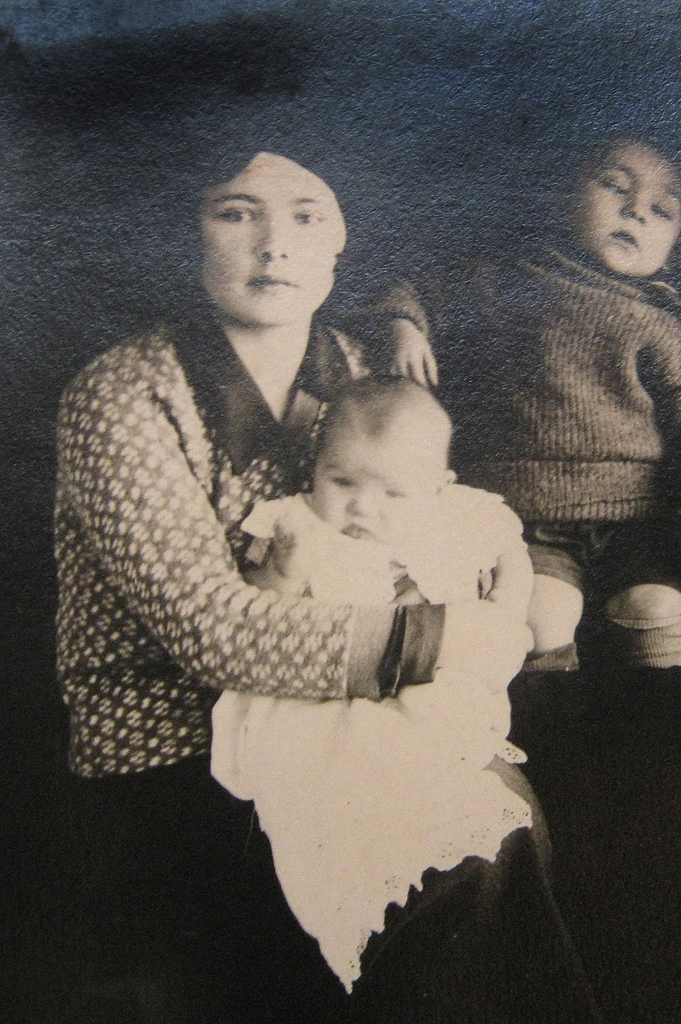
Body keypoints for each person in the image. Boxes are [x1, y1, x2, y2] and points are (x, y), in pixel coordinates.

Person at [55, 151, 599, 1023]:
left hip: (351, 720)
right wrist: (437, 638)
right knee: (460, 860)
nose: (275, 244)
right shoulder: (123, 395)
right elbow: (212, 630)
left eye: (306, 215)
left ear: (341, 240)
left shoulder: (350, 367)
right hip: (175, 760)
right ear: (190, 229)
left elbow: (428, 514)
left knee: (504, 811)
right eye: (236, 212)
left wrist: (490, 583)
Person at [386, 135, 681, 678]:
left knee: (656, 607)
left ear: (677, 241)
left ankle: (653, 718)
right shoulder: (500, 281)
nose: (635, 210)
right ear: (564, 197)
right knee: (542, 617)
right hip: (528, 517)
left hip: (638, 523)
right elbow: (412, 289)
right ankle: (551, 722)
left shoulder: (663, 325)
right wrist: (403, 326)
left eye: (661, 211)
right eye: (615, 186)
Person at [210, 375, 539, 991]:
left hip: (426, 687)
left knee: (451, 769)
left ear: (437, 487)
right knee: (350, 780)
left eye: (392, 492)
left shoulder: (456, 517)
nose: (363, 507)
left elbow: (510, 559)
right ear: (316, 469)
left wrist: (501, 614)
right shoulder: (294, 526)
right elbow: (254, 613)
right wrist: (282, 575)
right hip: (319, 696)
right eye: (341, 482)